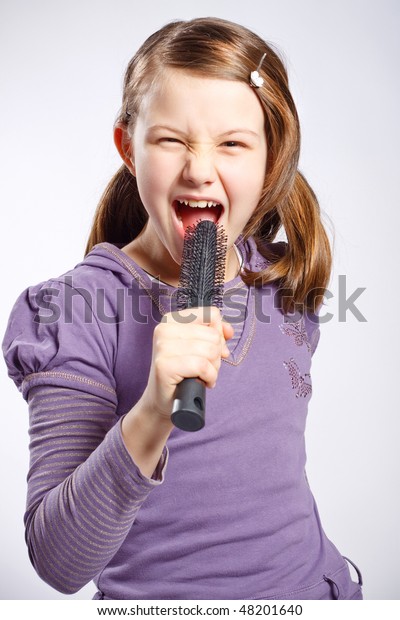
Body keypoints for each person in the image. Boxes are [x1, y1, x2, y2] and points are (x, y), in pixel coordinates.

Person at [2, 17, 363, 600]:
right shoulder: (71, 312)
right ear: (128, 147)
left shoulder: (284, 286)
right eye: (171, 140)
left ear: (269, 160)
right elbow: (59, 561)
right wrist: (152, 413)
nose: (199, 168)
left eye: (233, 143)